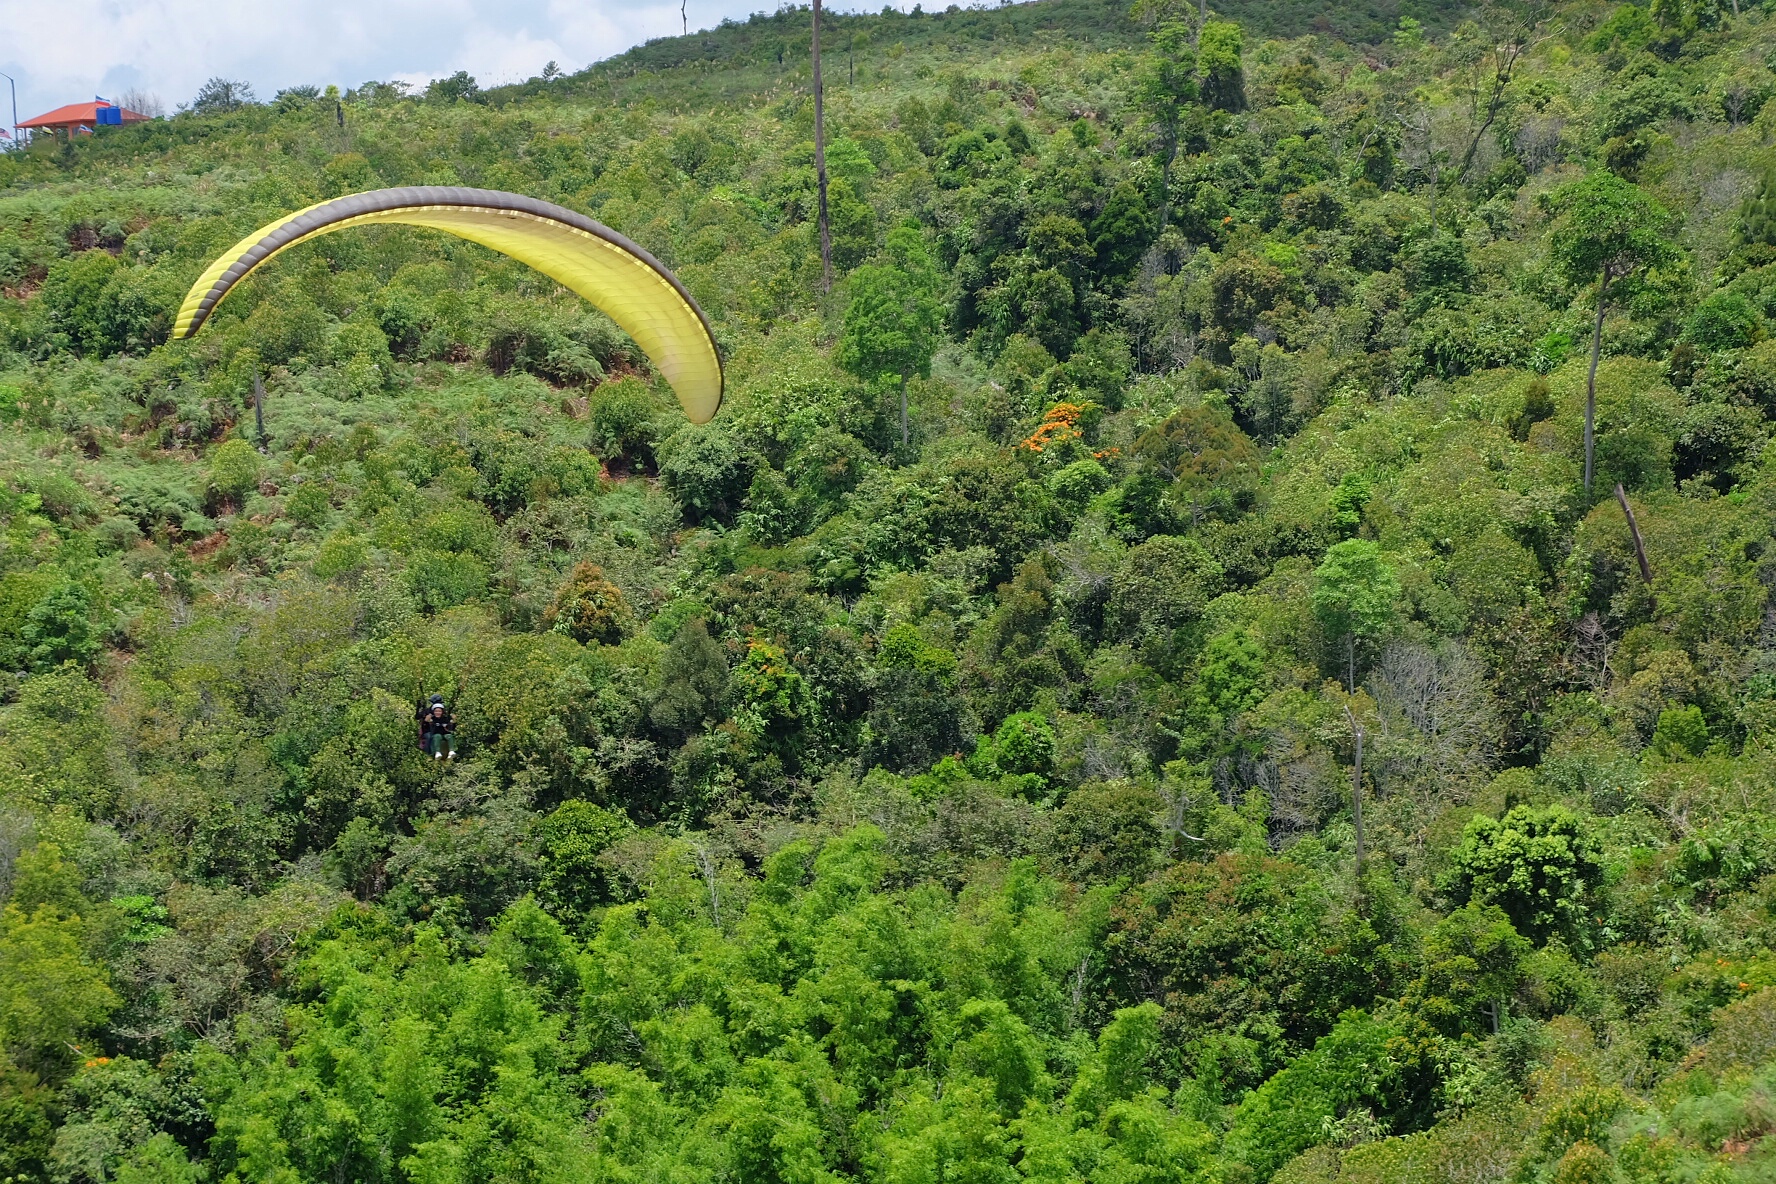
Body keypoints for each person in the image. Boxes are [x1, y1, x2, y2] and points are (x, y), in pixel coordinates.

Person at [416, 694, 457, 760]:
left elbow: (449, 725)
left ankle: (451, 751)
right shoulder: (428, 711)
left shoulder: (444, 713)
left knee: (449, 736)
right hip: (429, 730)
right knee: (430, 737)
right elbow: (420, 718)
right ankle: (429, 754)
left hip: (442, 731)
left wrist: (453, 721)